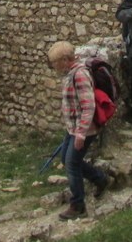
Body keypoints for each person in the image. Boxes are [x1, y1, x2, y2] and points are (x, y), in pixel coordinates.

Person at [47, 41, 110, 220]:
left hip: (84, 130)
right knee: (68, 160)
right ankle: (100, 179)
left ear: (66, 60)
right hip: (73, 128)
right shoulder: (71, 73)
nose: (55, 67)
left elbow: (88, 106)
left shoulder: (80, 74)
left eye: (56, 63)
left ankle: (78, 205)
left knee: (72, 164)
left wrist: (81, 134)